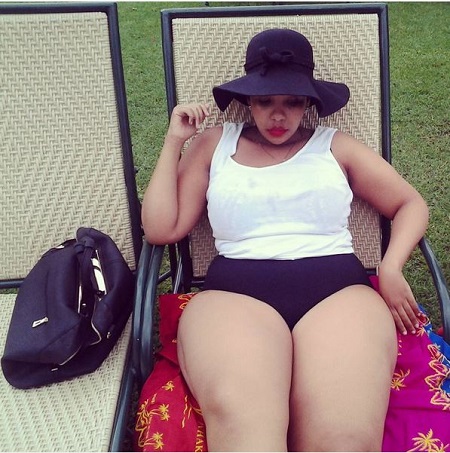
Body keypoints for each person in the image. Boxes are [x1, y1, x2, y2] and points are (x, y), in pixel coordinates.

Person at [142, 28, 429, 451]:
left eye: (292, 102)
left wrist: (391, 266)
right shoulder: (214, 144)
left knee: (344, 437)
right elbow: (161, 228)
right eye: (266, 102)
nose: (279, 116)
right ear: (248, 101)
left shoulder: (336, 147)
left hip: (338, 296)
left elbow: (410, 203)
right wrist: (174, 143)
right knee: (246, 432)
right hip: (234, 298)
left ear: (309, 103)